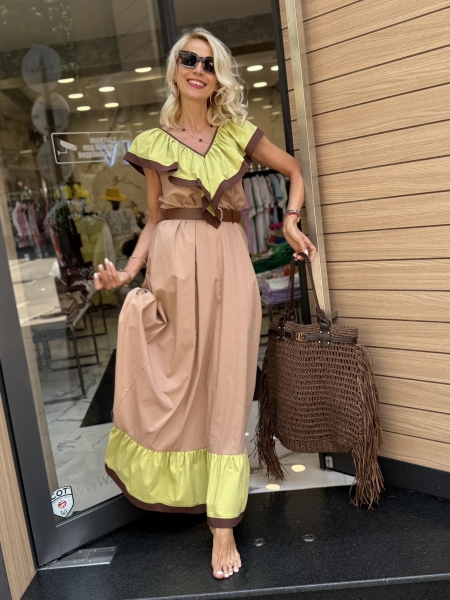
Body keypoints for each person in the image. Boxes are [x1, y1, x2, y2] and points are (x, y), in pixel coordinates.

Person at [93, 26, 316, 581]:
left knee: (229, 384)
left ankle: (222, 525)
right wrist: (128, 272)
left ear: (219, 79)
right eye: (190, 59)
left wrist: (290, 221)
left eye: (210, 64)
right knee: (179, 381)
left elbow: (293, 170)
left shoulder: (237, 132)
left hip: (228, 264)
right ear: (175, 69)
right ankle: (180, 489)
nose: (199, 70)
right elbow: (154, 220)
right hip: (173, 268)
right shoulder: (153, 142)